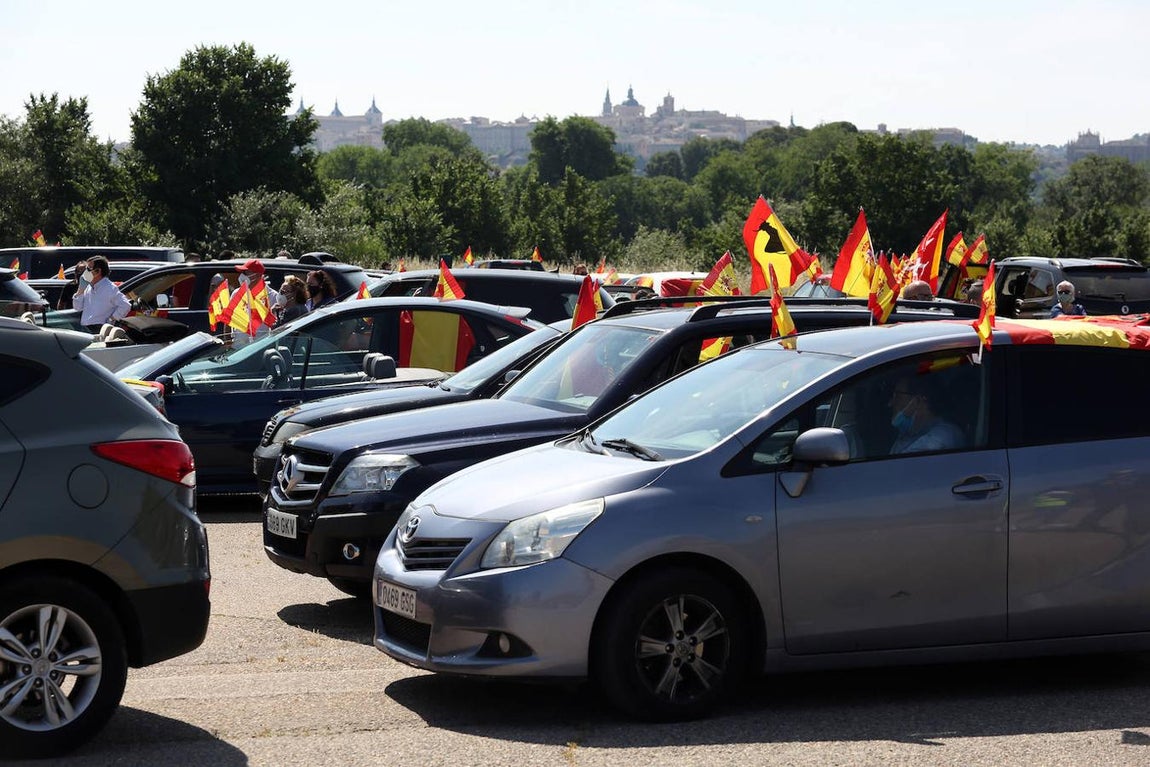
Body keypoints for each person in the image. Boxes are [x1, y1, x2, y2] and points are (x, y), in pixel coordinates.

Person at [888, 374, 965, 454]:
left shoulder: (943, 436)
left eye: (897, 397)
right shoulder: (908, 435)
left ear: (918, 401)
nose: (890, 403)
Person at [72, 256, 131, 333]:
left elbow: (125, 305)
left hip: (99, 328)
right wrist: (80, 290)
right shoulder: (88, 287)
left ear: (98, 271)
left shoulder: (110, 288)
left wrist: (111, 320)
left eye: (89, 269)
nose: (85, 272)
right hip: (86, 329)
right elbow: (77, 308)